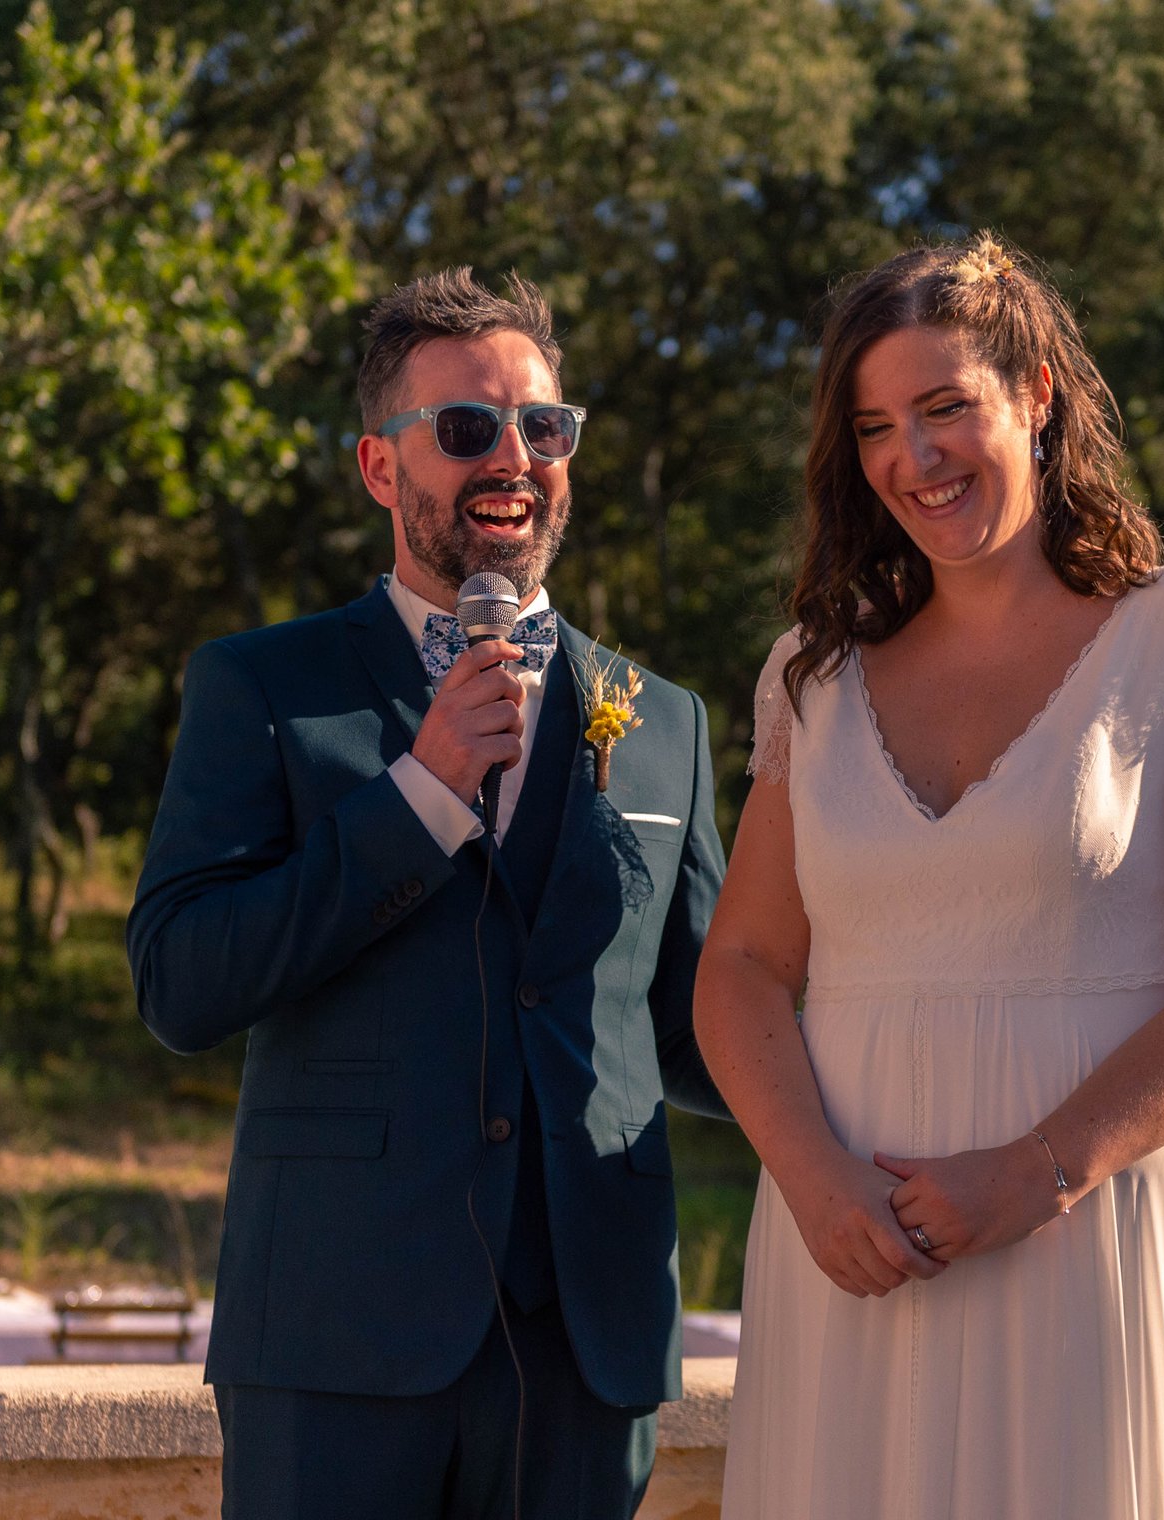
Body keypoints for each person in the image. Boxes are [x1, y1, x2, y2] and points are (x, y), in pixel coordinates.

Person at [695, 233, 1164, 1518]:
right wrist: (812, 1179)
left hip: (1100, 1235)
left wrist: (1041, 1169)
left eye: (943, 407)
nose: (912, 458)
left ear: (1035, 394)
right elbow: (743, 962)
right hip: (854, 1255)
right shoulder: (811, 678)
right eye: (875, 427)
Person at [127, 268, 730, 1520]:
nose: (512, 457)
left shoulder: (666, 722)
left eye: (542, 426)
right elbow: (182, 982)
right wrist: (421, 794)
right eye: (465, 428)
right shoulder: (265, 688)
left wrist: (906, 1077)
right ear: (378, 466)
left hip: (587, 1343)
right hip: (335, 1338)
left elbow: (704, 1027)